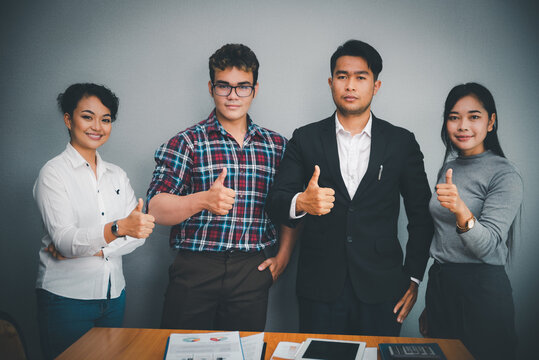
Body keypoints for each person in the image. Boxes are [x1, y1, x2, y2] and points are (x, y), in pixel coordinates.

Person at [265, 39, 433, 336]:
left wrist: (414, 277)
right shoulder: (305, 138)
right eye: (342, 77)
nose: (350, 86)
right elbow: (276, 201)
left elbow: (421, 215)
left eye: (360, 77)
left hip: (383, 288)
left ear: (376, 85)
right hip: (319, 286)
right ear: (331, 83)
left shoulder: (401, 142)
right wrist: (302, 202)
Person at [147, 44, 297, 331]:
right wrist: (202, 200)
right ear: (210, 87)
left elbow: (291, 207)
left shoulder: (277, 146)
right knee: (182, 350)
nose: (232, 96)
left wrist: (284, 256)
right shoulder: (186, 142)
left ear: (255, 89)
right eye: (223, 86)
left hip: (251, 267)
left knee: (244, 351)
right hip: (195, 268)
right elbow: (155, 208)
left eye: (242, 87)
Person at [34, 83, 155, 359]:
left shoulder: (117, 175)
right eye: (87, 116)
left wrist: (97, 248)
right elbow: (65, 241)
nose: (97, 126)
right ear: (68, 119)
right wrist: (118, 229)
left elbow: (140, 233)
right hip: (65, 299)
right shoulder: (52, 173)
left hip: (114, 297)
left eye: (106, 119)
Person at [419, 83, 522, 360]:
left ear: (491, 122)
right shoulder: (448, 168)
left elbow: (486, 248)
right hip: (442, 284)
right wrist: (433, 302)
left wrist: (461, 209)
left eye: (474, 116)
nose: (463, 125)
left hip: (482, 291)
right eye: (454, 117)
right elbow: (443, 239)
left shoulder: (504, 174)